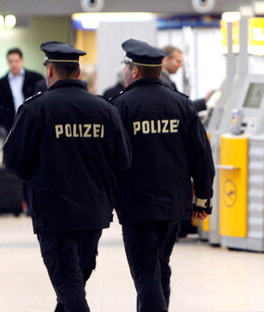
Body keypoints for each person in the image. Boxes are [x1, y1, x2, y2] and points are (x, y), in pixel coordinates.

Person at [3, 41, 131, 312]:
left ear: (50, 72)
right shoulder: (106, 110)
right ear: (78, 72)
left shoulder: (36, 109)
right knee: (72, 282)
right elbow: (123, 159)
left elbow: (13, 160)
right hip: (94, 210)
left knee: (68, 283)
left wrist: (34, 174)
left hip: (54, 212)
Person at [111, 39, 215, 312]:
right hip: (173, 203)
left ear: (134, 71)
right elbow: (202, 156)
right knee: (159, 265)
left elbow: (110, 159)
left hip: (136, 203)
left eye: (126, 66)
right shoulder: (181, 105)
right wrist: (202, 199)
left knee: (145, 272)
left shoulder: (120, 107)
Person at [0, 47, 44, 132]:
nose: (14, 64)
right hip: (11, 126)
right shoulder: (0, 84)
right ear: (7, 62)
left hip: (34, 124)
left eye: (16, 61)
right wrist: (4, 119)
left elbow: (44, 99)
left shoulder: (36, 78)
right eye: (11, 61)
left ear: (22, 60)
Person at [160, 45, 214, 112]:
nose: (181, 65)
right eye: (178, 61)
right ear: (166, 59)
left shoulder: (164, 80)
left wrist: (204, 100)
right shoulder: (163, 82)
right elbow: (178, 109)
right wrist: (204, 101)